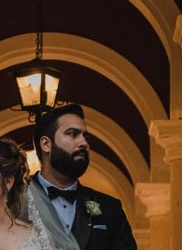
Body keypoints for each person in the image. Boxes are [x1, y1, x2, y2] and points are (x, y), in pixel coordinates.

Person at [27, 104, 137, 250]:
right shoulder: (13, 201)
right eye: (73, 134)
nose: (83, 143)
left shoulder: (110, 208)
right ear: (46, 144)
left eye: (85, 137)